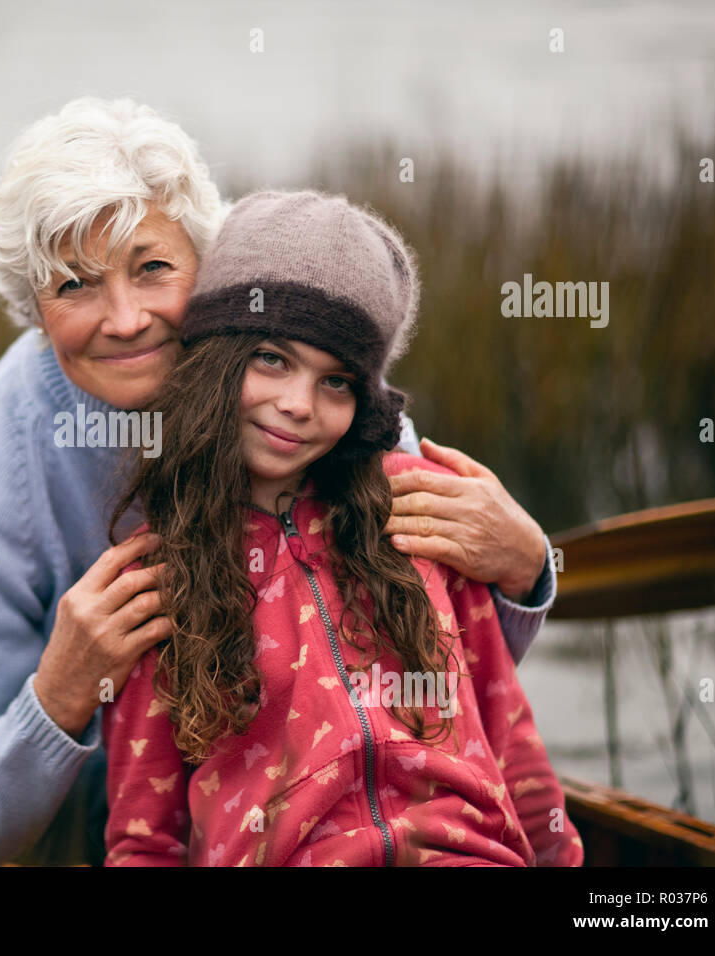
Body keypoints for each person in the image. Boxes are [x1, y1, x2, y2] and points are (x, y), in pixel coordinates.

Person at [0, 97, 557, 866]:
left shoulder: (307, 392)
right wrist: (62, 695)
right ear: (31, 308)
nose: (126, 319)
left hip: (247, 790)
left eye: (152, 268)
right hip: (51, 787)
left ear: (208, 261)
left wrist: (525, 573)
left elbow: (444, 671)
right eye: (74, 286)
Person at [102, 190, 582, 866]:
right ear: (214, 359)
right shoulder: (156, 577)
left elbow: (512, 741)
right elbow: (144, 839)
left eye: (337, 382)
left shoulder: (421, 512)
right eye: (271, 358)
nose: (298, 405)